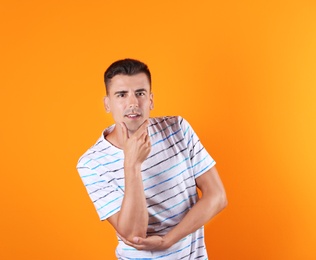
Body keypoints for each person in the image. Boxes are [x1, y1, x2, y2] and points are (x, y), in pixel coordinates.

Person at [77, 58, 227, 259]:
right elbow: (134, 234)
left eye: (140, 93)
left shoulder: (178, 128)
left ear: (151, 100)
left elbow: (217, 196)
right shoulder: (91, 163)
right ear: (107, 104)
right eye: (121, 95)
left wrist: (168, 240)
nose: (132, 103)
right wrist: (132, 165)